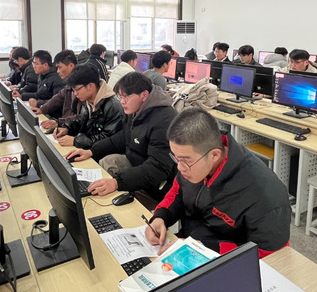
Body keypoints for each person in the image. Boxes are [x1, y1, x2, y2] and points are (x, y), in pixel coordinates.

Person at [144, 108, 290, 257]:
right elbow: (177, 191)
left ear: (214, 155)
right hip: (189, 241)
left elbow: (270, 255)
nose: (179, 168)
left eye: (185, 161)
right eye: (176, 158)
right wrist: (161, 217)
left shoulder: (264, 194)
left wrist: (204, 248)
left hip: (224, 258)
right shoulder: (194, 162)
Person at [65, 72, 178, 206]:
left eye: (126, 96)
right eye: (120, 96)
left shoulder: (164, 120)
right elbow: (123, 137)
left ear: (144, 95)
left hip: (158, 184)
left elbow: (157, 168)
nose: (122, 101)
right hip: (137, 162)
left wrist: (117, 182)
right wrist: (91, 151)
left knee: (113, 185)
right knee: (108, 162)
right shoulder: (135, 109)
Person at [55, 64, 124, 148]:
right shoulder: (87, 100)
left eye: (77, 89)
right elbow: (81, 121)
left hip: (101, 153)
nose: (75, 93)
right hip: (88, 149)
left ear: (90, 86)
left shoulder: (112, 106)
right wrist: (67, 128)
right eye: (73, 89)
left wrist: (75, 141)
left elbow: (108, 140)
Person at [33, 50, 80, 125]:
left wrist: (58, 123)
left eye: (60, 67)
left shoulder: (80, 85)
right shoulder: (70, 83)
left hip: (70, 126)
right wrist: (42, 109)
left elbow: (80, 117)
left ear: (71, 66)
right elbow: (59, 97)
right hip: (66, 124)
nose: (57, 71)